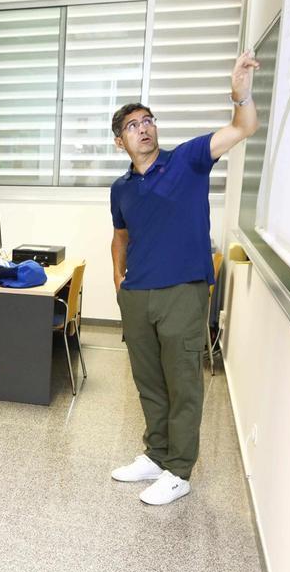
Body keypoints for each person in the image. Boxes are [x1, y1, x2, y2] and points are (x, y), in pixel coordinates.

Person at [109, 50, 260, 506]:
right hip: (138, 297)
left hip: (182, 294)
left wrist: (242, 95)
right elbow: (119, 237)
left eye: (148, 120)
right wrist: (120, 283)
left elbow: (242, 128)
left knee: (183, 384)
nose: (145, 127)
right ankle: (155, 455)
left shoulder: (188, 160)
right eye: (134, 125)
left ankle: (179, 469)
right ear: (121, 141)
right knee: (149, 382)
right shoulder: (121, 188)